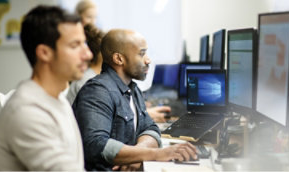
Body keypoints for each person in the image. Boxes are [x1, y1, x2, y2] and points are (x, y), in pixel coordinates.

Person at [73, 29, 198, 171]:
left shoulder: (133, 89)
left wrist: (138, 154)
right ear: (119, 59)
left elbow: (150, 128)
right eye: (141, 53)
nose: (148, 60)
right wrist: (155, 154)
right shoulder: (97, 91)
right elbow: (96, 145)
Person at [0, 5, 92, 171]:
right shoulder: (27, 112)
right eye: (75, 45)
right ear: (44, 53)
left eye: (84, 43)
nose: (88, 54)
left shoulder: (55, 97)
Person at [67, 24, 172, 122]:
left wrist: (138, 109)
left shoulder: (125, 85)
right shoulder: (91, 85)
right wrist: (142, 115)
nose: (147, 60)